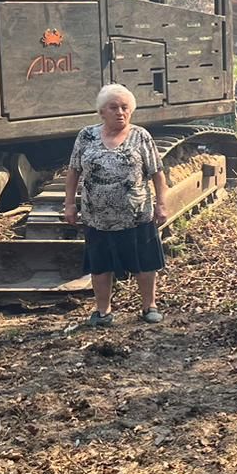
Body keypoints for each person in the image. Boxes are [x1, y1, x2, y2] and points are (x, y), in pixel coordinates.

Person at [62, 85, 170, 326]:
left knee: (144, 261)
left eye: (125, 108)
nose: (120, 112)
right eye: (114, 107)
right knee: (100, 265)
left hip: (136, 214)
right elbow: (73, 171)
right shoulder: (86, 136)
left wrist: (161, 204)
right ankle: (103, 311)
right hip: (96, 217)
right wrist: (69, 204)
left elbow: (157, 173)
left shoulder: (141, 136)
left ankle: (149, 306)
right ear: (102, 111)